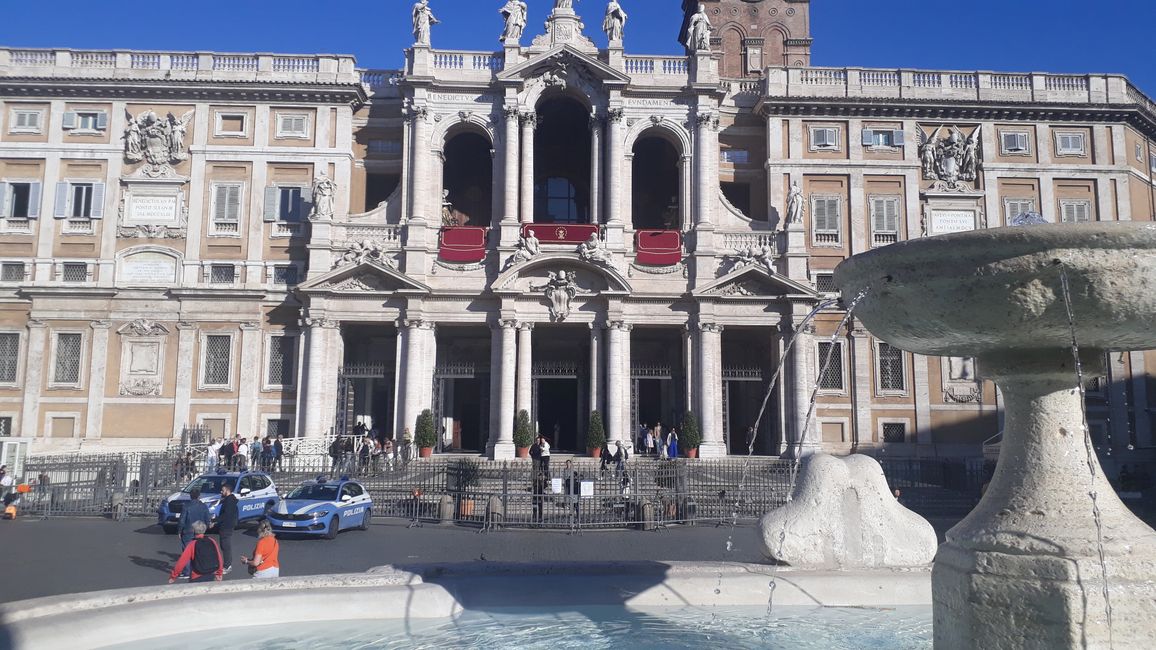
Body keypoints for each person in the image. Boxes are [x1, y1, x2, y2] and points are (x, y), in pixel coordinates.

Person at [176, 488, 211, 579]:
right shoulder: (203, 506)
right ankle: (199, 570)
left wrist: (179, 531)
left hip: (188, 531)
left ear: (190, 496)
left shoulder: (186, 506)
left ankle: (187, 572)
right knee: (198, 552)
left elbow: (182, 520)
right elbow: (208, 519)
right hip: (199, 531)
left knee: (187, 552)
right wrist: (205, 528)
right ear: (199, 496)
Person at [217, 482, 238, 574]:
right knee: (224, 545)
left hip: (226, 526)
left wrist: (215, 521)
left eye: (223, 490)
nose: (221, 492)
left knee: (225, 546)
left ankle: (227, 565)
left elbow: (226, 515)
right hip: (227, 526)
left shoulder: (229, 501)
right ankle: (227, 564)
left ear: (227, 490)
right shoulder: (230, 500)